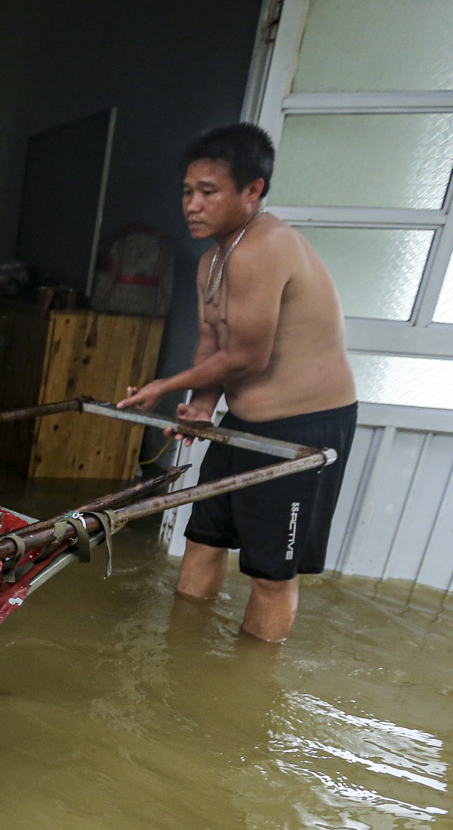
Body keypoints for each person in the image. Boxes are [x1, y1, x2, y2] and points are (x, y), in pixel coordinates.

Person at [116, 123, 356, 642]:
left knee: (271, 572)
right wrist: (200, 406)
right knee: (203, 537)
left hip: (302, 433)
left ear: (253, 192)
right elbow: (212, 343)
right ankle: (184, 657)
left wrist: (163, 386)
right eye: (187, 191)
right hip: (243, 423)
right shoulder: (213, 261)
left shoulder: (265, 247)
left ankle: (250, 687)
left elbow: (248, 355)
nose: (192, 205)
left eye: (208, 192)